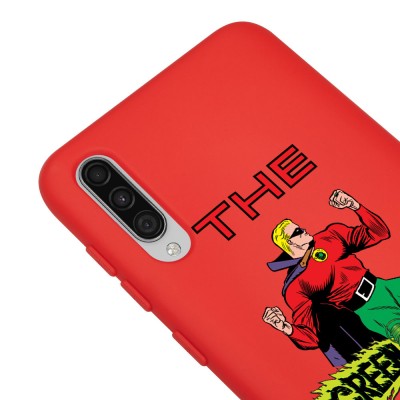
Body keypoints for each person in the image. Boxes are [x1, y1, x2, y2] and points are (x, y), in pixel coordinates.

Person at [262, 189, 400, 366]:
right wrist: (285, 327)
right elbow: (312, 335)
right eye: (298, 231)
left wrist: (354, 206)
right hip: (371, 309)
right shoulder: (295, 286)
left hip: (386, 286)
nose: (304, 229)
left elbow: (379, 232)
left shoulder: (330, 236)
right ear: (289, 243)